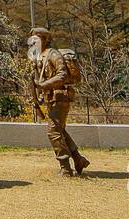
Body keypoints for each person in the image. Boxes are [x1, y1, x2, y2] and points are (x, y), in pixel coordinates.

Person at [29, 26, 89, 176]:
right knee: (59, 130)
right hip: (50, 98)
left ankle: (65, 167)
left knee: (53, 131)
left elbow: (62, 75)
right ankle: (78, 159)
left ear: (45, 39)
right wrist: (37, 97)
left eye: (37, 38)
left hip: (60, 96)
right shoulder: (39, 56)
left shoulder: (53, 55)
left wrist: (43, 85)